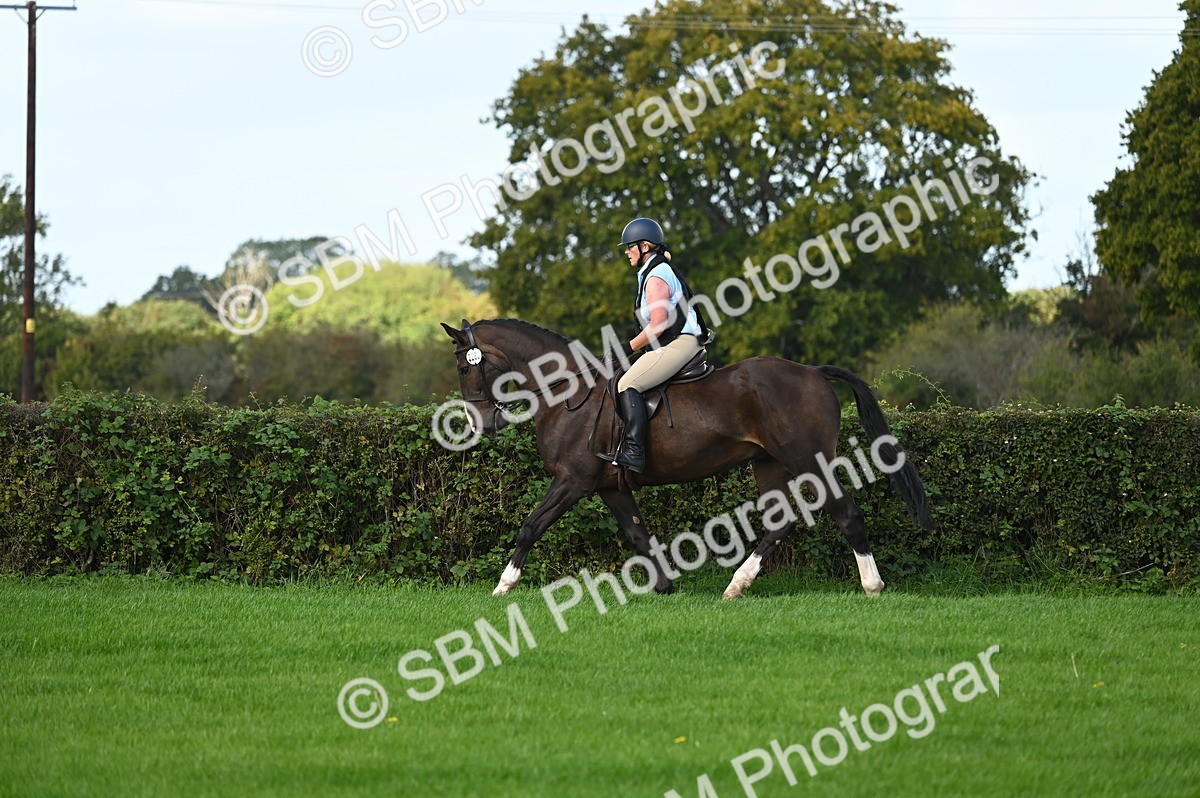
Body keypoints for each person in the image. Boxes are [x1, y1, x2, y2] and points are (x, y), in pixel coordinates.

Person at [609, 217, 706, 473]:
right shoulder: (655, 271)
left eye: (630, 246)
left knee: (626, 383)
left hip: (680, 343)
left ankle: (634, 452)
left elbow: (658, 325)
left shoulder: (656, 277)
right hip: (672, 343)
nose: (627, 252)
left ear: (645, 246)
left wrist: (626, 348)